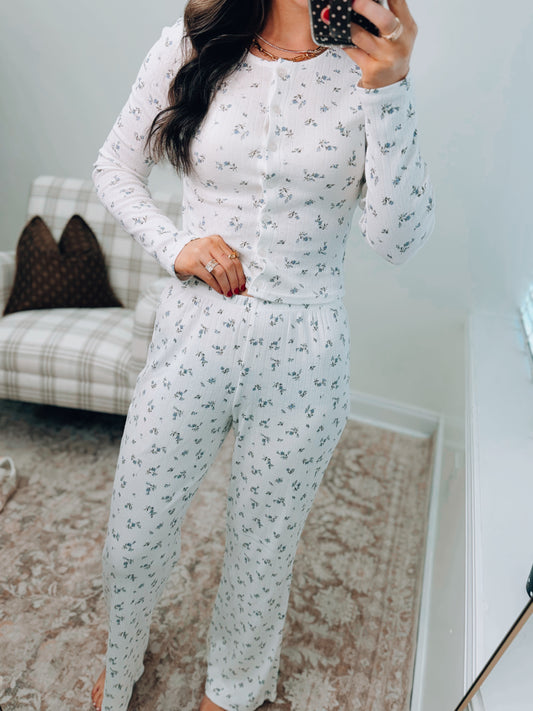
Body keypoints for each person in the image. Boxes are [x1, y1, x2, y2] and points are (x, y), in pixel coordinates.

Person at [90, 0, 434, 709]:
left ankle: (234, 688)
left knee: (262, 550)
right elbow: (114, 169)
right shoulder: (195, 42)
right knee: (132, 539)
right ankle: (120, 657)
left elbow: (399, 239)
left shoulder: (370, 66)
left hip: (304, 354)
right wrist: (176, 245)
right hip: (191, 336)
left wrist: (389, 87)